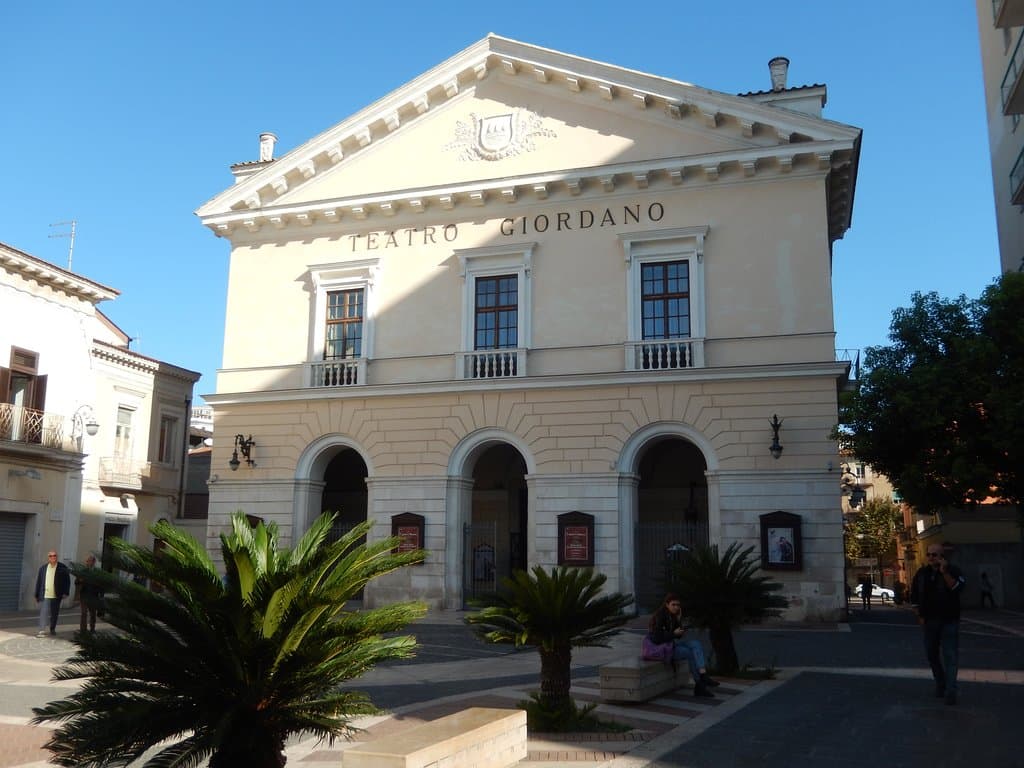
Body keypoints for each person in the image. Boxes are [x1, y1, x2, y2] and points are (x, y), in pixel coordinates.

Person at [910, 543, 966, 705]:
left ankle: (951, 690)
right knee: (931, 654)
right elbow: (914, 597)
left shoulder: (953, 571)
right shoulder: (922, 573)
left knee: (950, 656)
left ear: (942, 557)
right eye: (929, 554)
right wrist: (919, 616)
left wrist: (945, 572)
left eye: (934, 555)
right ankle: (940, 683)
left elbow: (957, 588)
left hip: (949, 620)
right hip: (929, 622)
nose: (930, 557)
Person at [648, 593, 719, 697]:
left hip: (672, 644)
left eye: (678, 605)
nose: (676, 607)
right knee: (688, 653)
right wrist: (673, 634)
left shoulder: (673, 616)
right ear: (667, 604)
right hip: (662, 649)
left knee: (696, 644)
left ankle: (703, 675)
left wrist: (678, 621)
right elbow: (656, 639)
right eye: (673, 604)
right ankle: (699, 685)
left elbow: (678, 636)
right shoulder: (659, 617)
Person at [34, 550, 71, 637]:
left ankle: (52, 628)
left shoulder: (62, 567)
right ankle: (41, 630)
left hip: (56, 594)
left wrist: (66, 592)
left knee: (54, 613)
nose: (53, 557)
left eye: (54, 556)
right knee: (43, 613)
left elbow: (67, 581)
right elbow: (39, 581)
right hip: (45, 594)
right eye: (50, 556)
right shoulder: (43, 568)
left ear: (56, 557)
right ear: (48, 558)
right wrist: (36, 594)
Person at [76, 555, 103, 633]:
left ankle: (92, 628)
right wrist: (80, 581)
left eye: (89, 561)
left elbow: (101, 584)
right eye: (87, 561)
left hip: (94, 596)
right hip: (84, 595)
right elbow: (76, 582)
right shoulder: (83, 571)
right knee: (84, 613)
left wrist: (101, 595)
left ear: (94, 562)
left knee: (93, 614)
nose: (88, 562)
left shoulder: (98, 572)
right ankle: (83, 629)